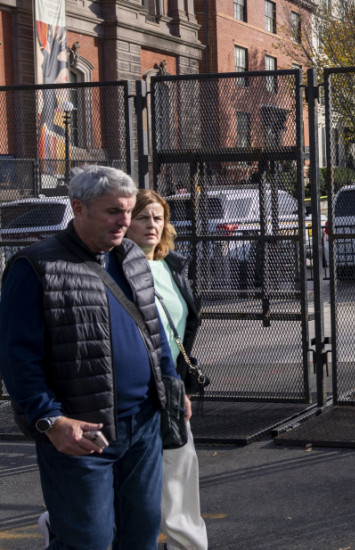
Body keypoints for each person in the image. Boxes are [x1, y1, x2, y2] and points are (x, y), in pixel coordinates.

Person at [0, 165, 180, 549]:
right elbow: (18, 359)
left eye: (128, 211)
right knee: (88, 541)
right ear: (78, 208)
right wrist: (51, 420)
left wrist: (171, 383)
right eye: (113, 211)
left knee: (141, 535)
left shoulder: (131, 255)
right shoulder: (35, 267)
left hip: (143, 426)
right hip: (82, 433)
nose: (124, 221)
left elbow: (153, 330)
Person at [127, 189, 208, 549]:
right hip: (130, 391)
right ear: (126, 222)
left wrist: (181, 385)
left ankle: (186, 544)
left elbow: (181, 330)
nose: (152, 225)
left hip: (170, 387)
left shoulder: (172, 266)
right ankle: (63, 526)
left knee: (179, 467)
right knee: (123, 477)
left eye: (158, 217)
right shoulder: (113, 268)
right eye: (143, 217)